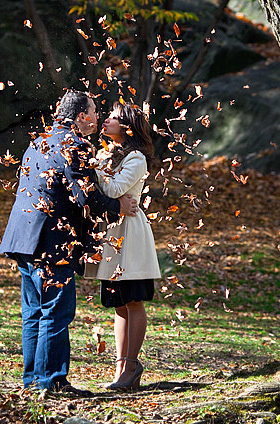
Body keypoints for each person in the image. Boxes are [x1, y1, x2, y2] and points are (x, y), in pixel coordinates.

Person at [0, 90, 138, 395]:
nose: (98, 117)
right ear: (81, 116)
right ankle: (52, 382)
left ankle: (33, 382)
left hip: (23, 237)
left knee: (34, 313)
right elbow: (85, 196)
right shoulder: (75, 145)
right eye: (94, 111)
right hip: (51, 242)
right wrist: (118, 207)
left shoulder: (39, 141)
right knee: (55, 312)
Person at [93, 103, 161, 391]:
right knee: (119, 304)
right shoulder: (106, 154)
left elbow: (112, 190)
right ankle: (120, 367)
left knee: (133, 301)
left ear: (127, 127)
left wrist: (95, 167)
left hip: (130, 236)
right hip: (112, 234)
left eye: (113, 118)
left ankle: (132, 366)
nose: (105, 120)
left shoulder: (136, 158)